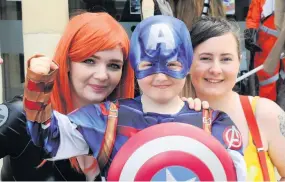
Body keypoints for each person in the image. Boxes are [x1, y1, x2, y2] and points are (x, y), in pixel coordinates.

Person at [23, 15, 246, 181]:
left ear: (187, 65)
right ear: (134, 66)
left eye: (172, 65)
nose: (160, 76)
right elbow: (46, 138)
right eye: (148, 65)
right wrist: (38, 83)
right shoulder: (105, 118)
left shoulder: (215, 123)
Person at [0, 12, 134, 181]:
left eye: (114, 65)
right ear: (68, 62)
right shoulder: (23, 116)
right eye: (89, 61)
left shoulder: (124, 127)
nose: (102, 75)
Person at [182, 16, 285, 181]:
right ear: (187, 63)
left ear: (239, 62)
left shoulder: (265, 114)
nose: (215, 69)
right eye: (205, 58)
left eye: (226, 59)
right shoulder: (173, 118)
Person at [244, 0, 285, 102]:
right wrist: (250, 31)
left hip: (269, 37)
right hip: (267, 38)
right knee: (266, 78)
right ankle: (267, 110)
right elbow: (254, 12)